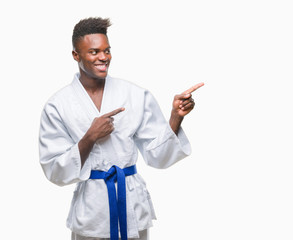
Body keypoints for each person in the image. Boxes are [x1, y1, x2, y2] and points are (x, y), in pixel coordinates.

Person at [39, 17, 204, 240]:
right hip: (91, 212)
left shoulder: (134, 94)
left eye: (107, 51)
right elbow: (54, 170)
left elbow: (157, 156)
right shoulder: (58, 104)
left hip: (131, 204)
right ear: (75, 55)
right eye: (94, 52)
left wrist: (175, 117)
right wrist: (90, 137)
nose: (103, 58)